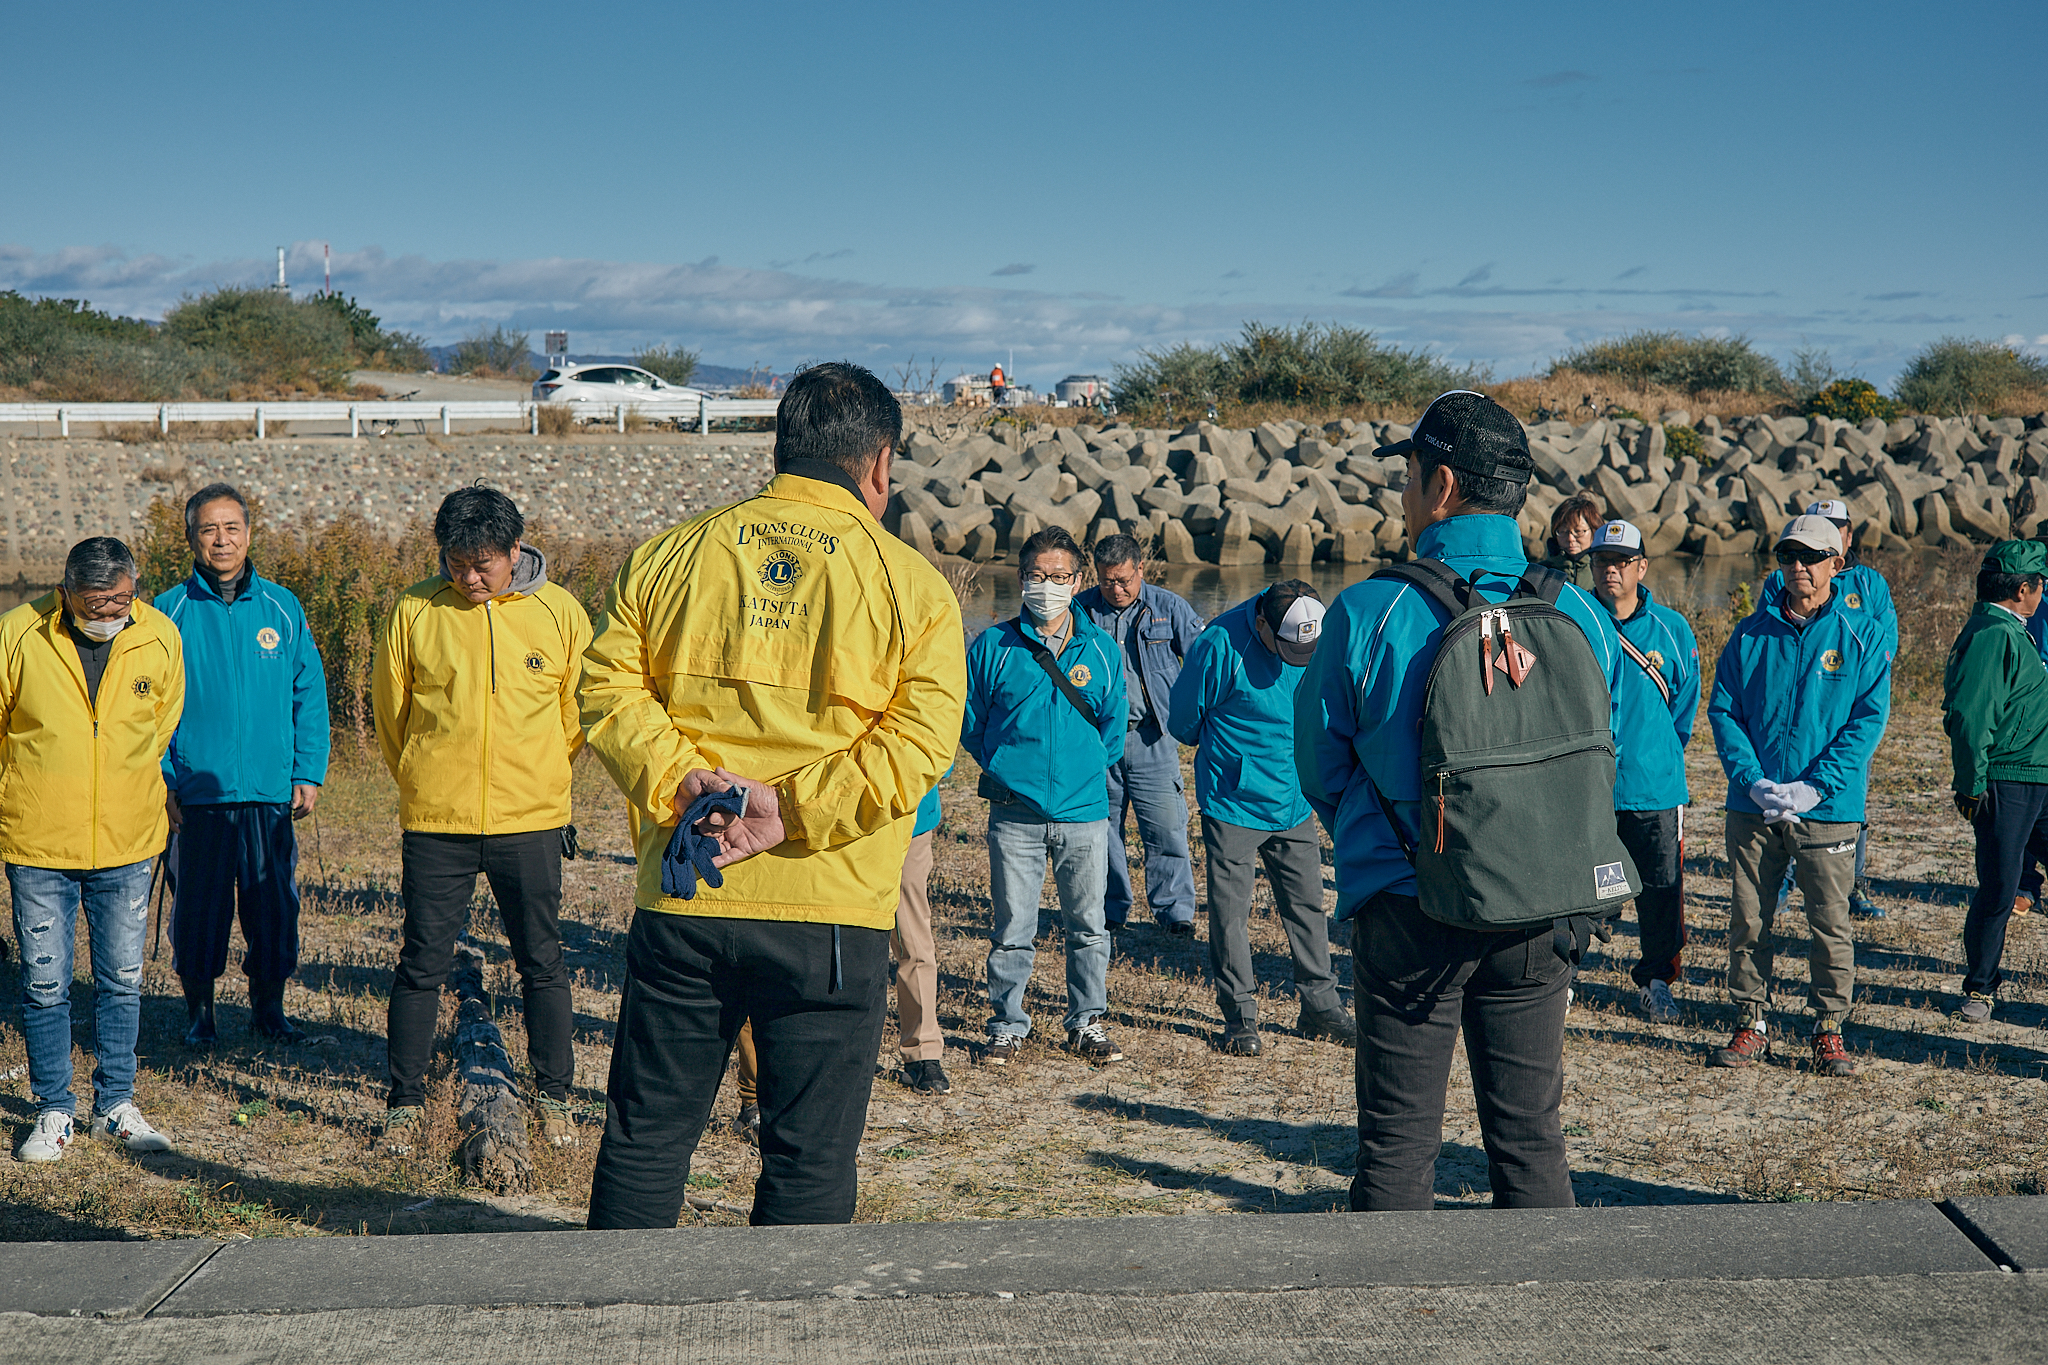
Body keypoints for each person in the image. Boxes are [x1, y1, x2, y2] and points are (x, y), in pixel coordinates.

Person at [580, 361, 964, 1228]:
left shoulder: (671, 555)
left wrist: (681, 779)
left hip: (688, 885)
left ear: (781, 448)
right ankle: (788, 1308)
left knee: (645, 1139)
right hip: (830, 909)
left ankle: (608, 1303)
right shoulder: (913, 586)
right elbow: (919, 745)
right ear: (880, 464)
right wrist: (789, 810)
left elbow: (604, 686)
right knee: (808, 1158)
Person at [1296, 391, 1638, 1211]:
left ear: (1442, 484)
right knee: (1531, 1142)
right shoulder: (1580, 613)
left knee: (1397, 1149)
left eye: (1409, 473)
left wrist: (1396, 836)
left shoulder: (1369, 610)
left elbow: (1319, 765)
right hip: (1542, 907)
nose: (1403, 491)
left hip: (1410, 904)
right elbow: (1610, 755)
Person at [372, 487, 593, 1153]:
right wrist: (426, 776)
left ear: (515, 551)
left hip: (530, 819)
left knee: (542, 960)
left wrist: (539, 776)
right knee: (421, 962)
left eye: (483, 564)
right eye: (457, 563)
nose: (469, 577)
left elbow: (575, 713)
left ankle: (554, 1097)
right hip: (438, 821)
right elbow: (392, 715)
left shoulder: (560, 612)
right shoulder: (415, 609)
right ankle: (405, 1101)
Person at [6, 538, 184, 1162]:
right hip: (39, 843)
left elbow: (160, 725)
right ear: (66, 593)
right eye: (95, 602)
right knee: (45, 982)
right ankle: (54, 1109)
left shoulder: (160, 636)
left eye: (121, 600)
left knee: (123, 980)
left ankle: (116, 1105)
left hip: (127, 841)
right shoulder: (17, 635)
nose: (110, 612)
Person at [1706, 515, 1891, 1078]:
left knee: (1830, 923)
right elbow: (1724, 710)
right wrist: (1751, 780)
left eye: (1811, 557)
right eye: (1788, 556)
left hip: (1828, 811)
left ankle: (1828, 1028)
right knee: (1749, 919)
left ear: (1837, 563)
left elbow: (1867, 721)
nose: (1798, 567)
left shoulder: (1861, 634)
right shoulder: (1750, 633)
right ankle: (1751, 1021)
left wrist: (1814, 787)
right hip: (1755, 807)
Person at [154, 483, 330, 1047]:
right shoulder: (166, 613)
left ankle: (269, 1010)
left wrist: (307, 771)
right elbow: (146, 708)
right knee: (198, 910)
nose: (221, 539)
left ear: (249, 534)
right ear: (191, 538)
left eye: (232, 528)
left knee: (273, 906)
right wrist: (165, 781)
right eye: (209, 529)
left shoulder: (282, 606)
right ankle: (200, 1016)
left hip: (268, 791)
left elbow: (309, 692)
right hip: (198, 794)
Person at [962, 526, 1126, 1065]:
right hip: (1015, 815)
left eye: (1058, 577)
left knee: (1089, 927)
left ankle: (1087, 1021)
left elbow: (1113, 729)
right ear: (1020, 579)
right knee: (1012, 929)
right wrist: (1008, 770)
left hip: (1084, 813)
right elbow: (971, 724)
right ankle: (1007, 1024)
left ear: (1077, 581)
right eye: (1037, 575)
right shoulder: (992, 646)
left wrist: (1082, 773)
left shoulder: (1101, 649)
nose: (1047, 586)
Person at [1168, 579, 1353, 1055]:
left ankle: (1320, 1007)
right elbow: (1183, 721)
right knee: (1231, 916)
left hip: (1295, 800)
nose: (1298, 657)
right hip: (1234, 803)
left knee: (1307, 906)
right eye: (1288, 647)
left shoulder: (1317, 634)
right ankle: (1240, 1018)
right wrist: (1235, 762)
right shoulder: (1218, 644)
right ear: (1262, 623)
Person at [1586, 520, 1700, 1023]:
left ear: (1642, 567)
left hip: (1653, 788)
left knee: (1661, 892)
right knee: (1578, 889)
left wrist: (1655, 752)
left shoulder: (1672, 629)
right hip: (1588, 788)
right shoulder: (1576, 619)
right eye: (1601, 561)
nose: (1610, 570)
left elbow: (1684, 708)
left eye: (1621, 561)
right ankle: (1563, 979)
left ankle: (1657, 982)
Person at [1761, 499, 1897, 919]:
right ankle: (1783, 884)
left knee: (1849, 799)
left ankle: (1851, 884)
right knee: (1781, 799)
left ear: (1848, 536)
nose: (1800, 562)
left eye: (1835, 527)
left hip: (1840, 713)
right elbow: (1771, 640)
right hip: (1791, 720)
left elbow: (1884, 646)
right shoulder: (1780, 578)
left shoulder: (1870, 583)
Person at [1941, 541, 2048, 1025]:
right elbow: (1971, 716)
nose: (2043, 593)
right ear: (2023, 589)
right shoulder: (1992, 634)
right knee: (2000, 887)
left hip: (2038, 777)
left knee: (2006, 884)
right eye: (2041, 584)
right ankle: (1980, 988)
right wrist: (1971, 784)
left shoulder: (2013, 629)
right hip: (2008, 780)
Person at [1075, 534, 1202, 935]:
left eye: (1124, 580)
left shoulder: (1170, 608)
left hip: (1153, 739)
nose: (1116, 589)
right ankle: (1111, 910)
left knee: (1166, 828)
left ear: (1141, 569)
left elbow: (1203, 663)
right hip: (1096, 741)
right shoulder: (1079, 611)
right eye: (1107, 581)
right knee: (1102, 829)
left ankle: (1175, 913)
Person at [893, 766, 954, 1093]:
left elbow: (938, 752)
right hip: (839, 820)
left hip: (909, 817)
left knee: (913, 939)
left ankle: (923, 1053)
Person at [1539, 491, 1605, 591]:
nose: (1570, 538)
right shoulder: (1541, 573)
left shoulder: (1606, 572)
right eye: (1563, 531)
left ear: (1594, 531)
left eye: (1578, 531)